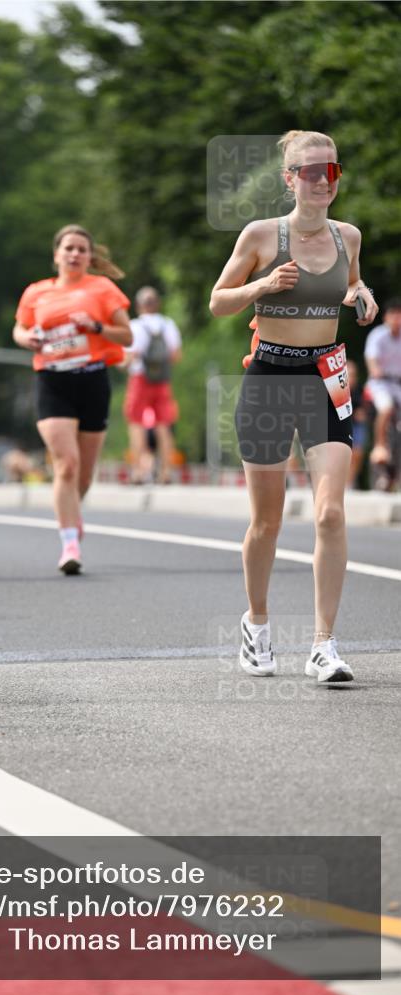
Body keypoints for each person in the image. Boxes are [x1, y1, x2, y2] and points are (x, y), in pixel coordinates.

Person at [210, 129, 378, 683]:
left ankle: (324, 645)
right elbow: (218, 302)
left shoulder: (348, 236)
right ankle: (257, 624)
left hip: (325, 379)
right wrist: (261, 287)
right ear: (290, 179)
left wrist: (360, 295)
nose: (323, 181)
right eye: (311, 172)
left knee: (330, 512)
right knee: (268, 522)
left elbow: (350, 283)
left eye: (332, 171)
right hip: (269, 380)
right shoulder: (262, 235)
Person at [13, 224, 132, 573]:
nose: (75, 254)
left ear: (90, 257)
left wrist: (96, 328)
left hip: (92, 379)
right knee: (66, 463)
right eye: (69, 248)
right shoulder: (37, 292)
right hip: (52, 380)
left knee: (84, 475)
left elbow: (127, 335)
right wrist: (27, 338)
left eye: (82, 249)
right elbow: (19, 328)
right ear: (57, 255)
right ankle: (69, 544)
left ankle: (71, 515)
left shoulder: (102, 288)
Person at [124, 286, 182, 484]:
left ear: (138, 305)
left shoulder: (135, 326)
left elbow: (131, 355)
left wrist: (122, 364)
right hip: (162, 380)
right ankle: (166, 472)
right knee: (164, 425)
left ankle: (139, 471)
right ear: (158, 304)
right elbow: (176, 355)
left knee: (136, 424)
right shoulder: (168, 324)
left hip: (139, 378)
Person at [363, 298, 401, 467]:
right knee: (386, 408)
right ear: (386, 317)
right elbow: (371, 357)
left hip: (397, 384)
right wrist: (375, 369)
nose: (397, 319)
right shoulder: (378, 335)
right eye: (394, 315)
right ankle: (380, 445)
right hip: (380, 384)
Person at [346, 359, 368, 488]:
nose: (352, 378)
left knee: (358, 452)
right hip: (342, 424)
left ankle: (350, 482)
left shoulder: (360, 389)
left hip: (355, 425)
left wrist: (362, 412)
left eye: (354, 375)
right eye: (349, 375)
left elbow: (365, 409)